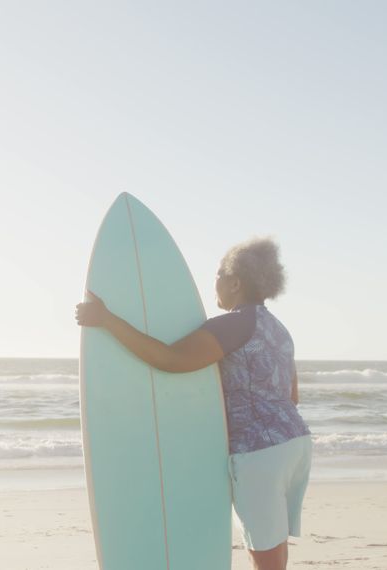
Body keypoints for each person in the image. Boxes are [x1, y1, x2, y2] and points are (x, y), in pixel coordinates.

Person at [75, 236, 311, 570]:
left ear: (235, 282)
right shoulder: (278, 329)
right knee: (272, 548)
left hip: (261, 454)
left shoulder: (233, 324)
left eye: (218, 274)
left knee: (266, 558)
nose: (213, 282)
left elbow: (171, 359)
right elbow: (293, 396)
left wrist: (107, 320)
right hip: (295, 445)